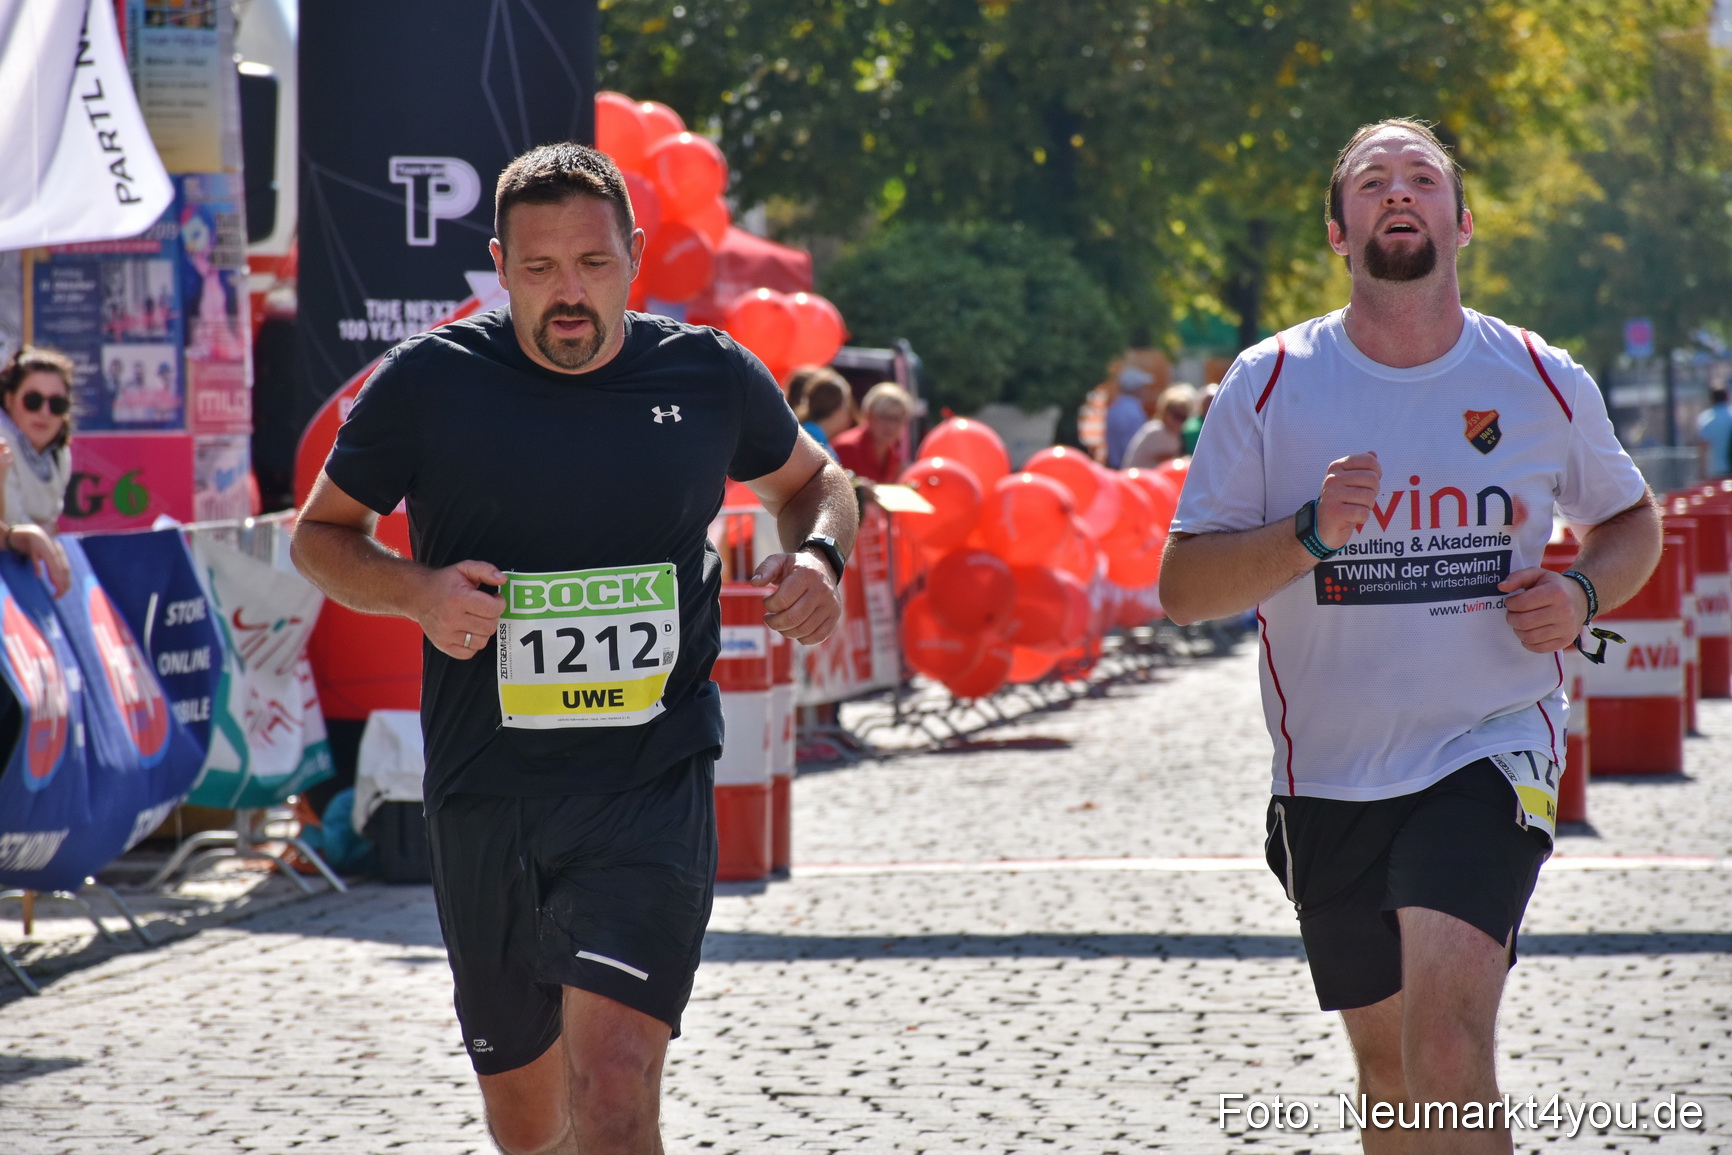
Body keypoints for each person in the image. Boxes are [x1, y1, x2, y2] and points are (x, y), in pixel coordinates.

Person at [290, 142, 857, 1155]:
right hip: (488, 789)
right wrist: (419, 593)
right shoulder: (429, 382)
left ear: (633, 255)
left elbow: (817, 483)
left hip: (649, 781)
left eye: (592, 263)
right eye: (540, 267)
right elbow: (320, 536)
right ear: (499, 265)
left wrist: (817, 556)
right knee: (530, 1123)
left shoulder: (706, 374)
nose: (568, 293)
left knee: (615, 1084)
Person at [1159, 119, 1662, 1154]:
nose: (1398, 191)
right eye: (1372, 180)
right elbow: (1183, 589)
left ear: (1461, 222)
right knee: (1390, 1073)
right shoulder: (1267, 380)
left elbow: (1630, 521)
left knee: (1444, 1047)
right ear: (1338, 232)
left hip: (1490, 743)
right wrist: (1308, 534)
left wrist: (1580, 594)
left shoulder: (1536, 373)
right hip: (1328, 773)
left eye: (1422, 177)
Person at [0, 346, 75, 596]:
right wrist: (32, 534)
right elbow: (8, 524)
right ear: (9, 400)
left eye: (57, 404)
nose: (44, 412)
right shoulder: (1, 442)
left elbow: (47, 523)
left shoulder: (60, 453)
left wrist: (33, 533)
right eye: (33, 401)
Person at [832, 381, 913, 485]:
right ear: (868, 416)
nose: (890, 425)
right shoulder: (845, 448)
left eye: (896, 419)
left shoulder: (895, 457)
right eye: (883, 416)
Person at [1122, 382, 1196, 469]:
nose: (1179, 421)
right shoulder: (1157, 431)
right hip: (1138, 476)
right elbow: (1169, 463)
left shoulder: (1172, 433)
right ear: (1165, 412)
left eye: (1183, 417)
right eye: (1177, 415)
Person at [794, 368, 854, 459]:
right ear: (839, 408)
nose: (848, 412)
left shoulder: (809, 433)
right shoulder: (812, 438)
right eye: (847, 404)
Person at [1103, 364, 1154, 468]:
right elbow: (1135, 446)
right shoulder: (1134, 412)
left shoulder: (1114, 408)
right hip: (1129, 469)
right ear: (1136, 389)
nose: (1146, 391)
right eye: (1143, 387)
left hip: (1115, 466)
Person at [1696, 385, 1732, 479]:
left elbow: (1703, 447)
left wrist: (1702, 471)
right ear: (1727, 397)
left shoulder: (1706, 419)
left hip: (1715, 470)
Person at [1180, 381, 1217, 455]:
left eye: (1213, 401)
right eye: (1208, 401)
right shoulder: (1190, 426)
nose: (1210, 405)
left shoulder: (1227, 424)